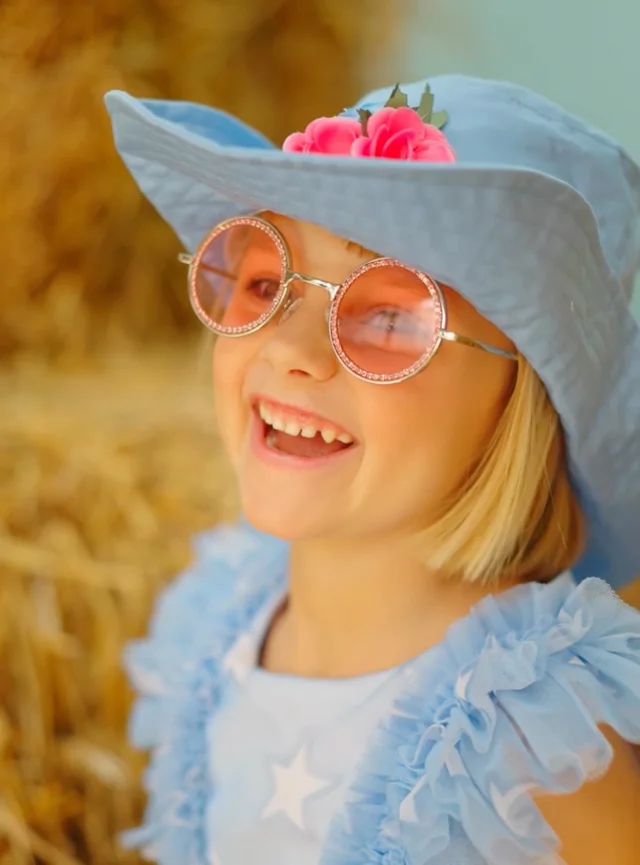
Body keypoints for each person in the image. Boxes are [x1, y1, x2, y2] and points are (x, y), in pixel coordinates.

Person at [104, 74, 640, 865]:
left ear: (521, 401)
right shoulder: (214, 630)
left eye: (391, 316)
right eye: (263, 282)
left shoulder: (535, 755)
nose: (289, 348)